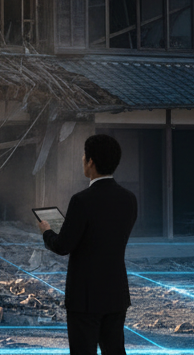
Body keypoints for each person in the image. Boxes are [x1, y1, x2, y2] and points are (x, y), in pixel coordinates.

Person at [38, 133, 137, 355]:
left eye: (84, 156)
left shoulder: (81, 200)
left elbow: (63, 246)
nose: (83, 160)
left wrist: (47, 232)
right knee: (115, 350)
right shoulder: (129, 199)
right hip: (115, 292)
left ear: (91, 161)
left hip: (85, 296)